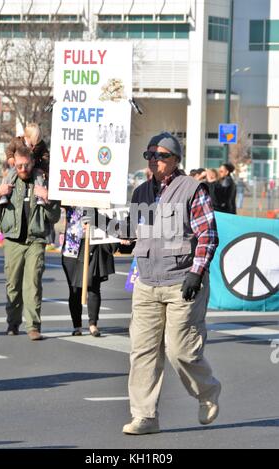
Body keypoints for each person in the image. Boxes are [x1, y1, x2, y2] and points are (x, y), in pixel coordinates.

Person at [121, 132, 221, 435]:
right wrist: (119, 235)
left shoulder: (192, 189)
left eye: (161, 155)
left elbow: (207, 235)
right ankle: (144, 416)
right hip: (147, 281)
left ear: (175, 160)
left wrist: (197, 272)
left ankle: (207, 393)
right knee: (143, 351)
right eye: (150, 155)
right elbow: (136, 229)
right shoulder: (141, 192)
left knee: (181, 350)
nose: (154, 160)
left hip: (182, 282)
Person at [0, 146, 60, 340]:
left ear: (32, 162)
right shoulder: (8, 183)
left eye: (26, 165)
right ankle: (13, 323)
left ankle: (33, 326)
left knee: (33, 284)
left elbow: (54, 217)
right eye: (19, 165)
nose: (23, 169)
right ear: (14, 164)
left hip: (35, 240)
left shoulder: (41, 181)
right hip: (13, 241)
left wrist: (49, 199)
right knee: (13, 284)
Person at [61, 206, 117, 337]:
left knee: (93, 287)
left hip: (92, 246)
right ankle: (77, 326)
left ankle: (93, 324)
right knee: (74, 289)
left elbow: (108, 220)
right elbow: (56, 200)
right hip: (71, 248)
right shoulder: (68, 200)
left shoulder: (98, 202)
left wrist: (95, 224)